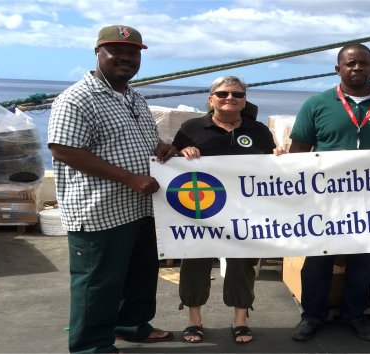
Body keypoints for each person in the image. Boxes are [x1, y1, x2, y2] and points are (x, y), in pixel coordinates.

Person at [48, 25, 177, 353]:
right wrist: (130, 179)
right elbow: (64, 149)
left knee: (139, 276)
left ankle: (131, 325)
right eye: (116, 51)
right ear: (97, 53)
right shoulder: (77, 98)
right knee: (97, 284)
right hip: (99, 211)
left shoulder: (133, 96)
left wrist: (161, 147)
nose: (126, 58)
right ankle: (91, 347)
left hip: (139, 208)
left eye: (133, 53)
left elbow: (139, 140)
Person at [286, 43, 370, 342]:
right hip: (323, 201)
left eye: (364, 63)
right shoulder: (316, 104)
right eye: (350, 63)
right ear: (338, 69)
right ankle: (312, 316)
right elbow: (299, 153)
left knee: (363, 262)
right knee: (318, 261)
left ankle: (355, 315)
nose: (357, 68)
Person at [171, 76, 275, 344]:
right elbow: (170, 162)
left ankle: (240, 319)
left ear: (244, 100)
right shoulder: (192, 128)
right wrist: (182, 152)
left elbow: (272, 169)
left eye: (237, 94)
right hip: (201, 210)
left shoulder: (259, 130)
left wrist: (281, 158)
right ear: (211, 98)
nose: (230, 98)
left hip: (244, 212)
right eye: (223, 94)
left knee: (242, 264)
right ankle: (194, 320)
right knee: (194, 263)